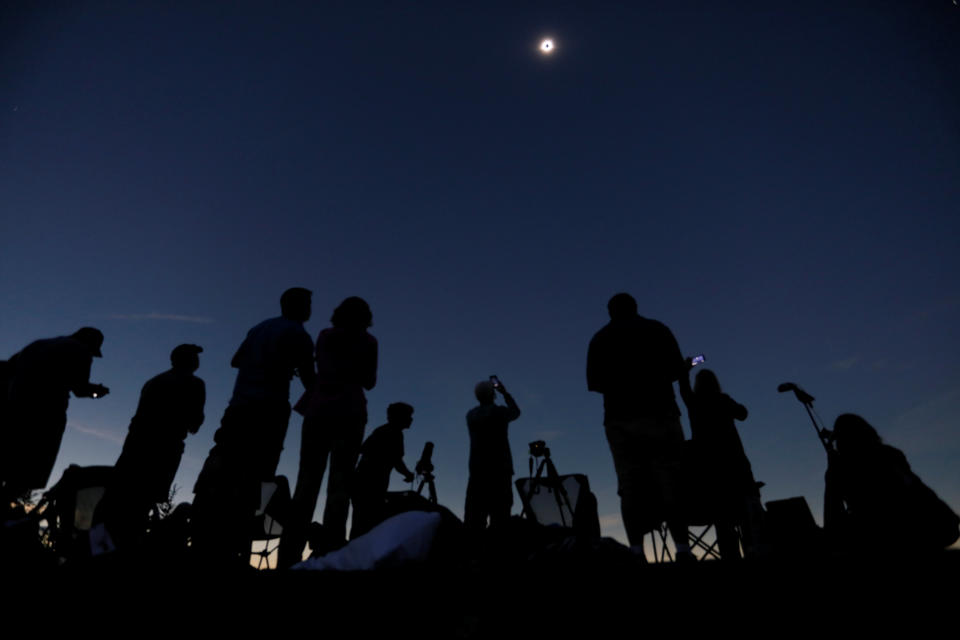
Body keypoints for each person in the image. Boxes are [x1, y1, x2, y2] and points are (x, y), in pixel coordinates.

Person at [191, 288, 316, 565]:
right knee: (257, 475)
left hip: (238, 407)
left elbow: (235, 360)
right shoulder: (299, 335)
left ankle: (209, 537)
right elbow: (310, 379)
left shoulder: (260, 328)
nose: (310, 308)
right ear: (299, 306)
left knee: (224, 468)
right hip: (269, 409)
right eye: (308, 303)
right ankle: (235, 544)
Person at [586, 293, 690, 557]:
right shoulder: (657, 329)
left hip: (620, 420)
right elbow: (678, 370)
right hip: (661, 413)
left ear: (610, 312)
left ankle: (635, 551)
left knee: (629, 485)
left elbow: (595, 383)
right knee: (671, 480)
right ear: (635, 307)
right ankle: (682, 548)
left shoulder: (599, 339)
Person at [279, 296, 377, 567]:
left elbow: (319, 366)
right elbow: (370, 381)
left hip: (319, 409)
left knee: (306, 483)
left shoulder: (325, 335)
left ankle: (288, 555)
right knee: (341, 484)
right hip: (351, 411)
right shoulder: (369, 342)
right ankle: (330, 555)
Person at [96, 344, 205, 547]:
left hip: (135, 447)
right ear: (189, 361)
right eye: (194, 357)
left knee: (117, 500)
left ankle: (97, 548)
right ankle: (123, 550)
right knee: (141, 505)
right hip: (163, 450)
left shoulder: (153, 382)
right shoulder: (195, 384)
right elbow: (194, 424)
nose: (198, 361)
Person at [1, 327, 108, 505]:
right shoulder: (81, 351)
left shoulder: (37, 344)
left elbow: (7, 368)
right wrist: (96, 391)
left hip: (12, 407)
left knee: (7, 462)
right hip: (45, 414)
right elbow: (80, 389)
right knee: (27, 472)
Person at [824, 414, 959, 552]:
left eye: (840, 440)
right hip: (935, 528)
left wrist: (831, 475)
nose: (838, 445)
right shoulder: (890, 456)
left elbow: (832, 525)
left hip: (897, 538)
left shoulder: (844, 470)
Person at [678, 366, 760, 558]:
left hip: (710, 469)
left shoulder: (694, 403)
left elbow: (683, 389)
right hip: (735, 464)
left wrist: (684, 371)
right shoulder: (723, 400)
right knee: (745, 509)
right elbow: (743, 413)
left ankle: (730, 554)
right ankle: (751, 548)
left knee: (723, 516)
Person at [350, 402, 415, 539]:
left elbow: (363, 449)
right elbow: (396, 460)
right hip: (371, 485)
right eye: (409, 416)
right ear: (400, 417)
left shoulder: (381, 430)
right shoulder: (395, 433)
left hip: (361, 482)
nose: (411, 419)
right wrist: (408, 474)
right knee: (367, 523)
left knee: (360, 523)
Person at [464, 378, 521, 531]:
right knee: (501, 517)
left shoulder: (470, 415)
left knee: (474, 518)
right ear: (493, 395)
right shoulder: (499, 412)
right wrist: (504, 393)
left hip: (477, 472)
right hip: (500, 471)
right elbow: (516, 412)